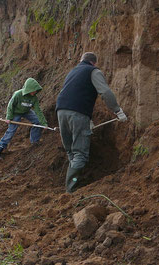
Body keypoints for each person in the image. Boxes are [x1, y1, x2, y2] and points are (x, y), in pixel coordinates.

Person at [55, 52, 127, 193]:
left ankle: (73, 181)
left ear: (81, 60)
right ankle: (71, 189)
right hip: (77, 113)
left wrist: (88, 120)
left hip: (61, 111)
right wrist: (117, 111)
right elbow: (105, 92)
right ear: (94, 62)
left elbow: (75, 93)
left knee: (71, 151)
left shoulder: (73, 71)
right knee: (80, 154)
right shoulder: (93, 71)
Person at [0, 77, 48, 159]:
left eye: (36, 90)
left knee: (37, 121)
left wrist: (44, 123)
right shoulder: (18, 94)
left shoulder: (34, 98)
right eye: (34, 90)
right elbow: (10, 106)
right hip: (16, 112)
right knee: (12, 130)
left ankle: (34, 141)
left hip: (26, 111)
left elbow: (38, 111)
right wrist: (9, 117)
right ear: (29, 89)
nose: (35, 92)